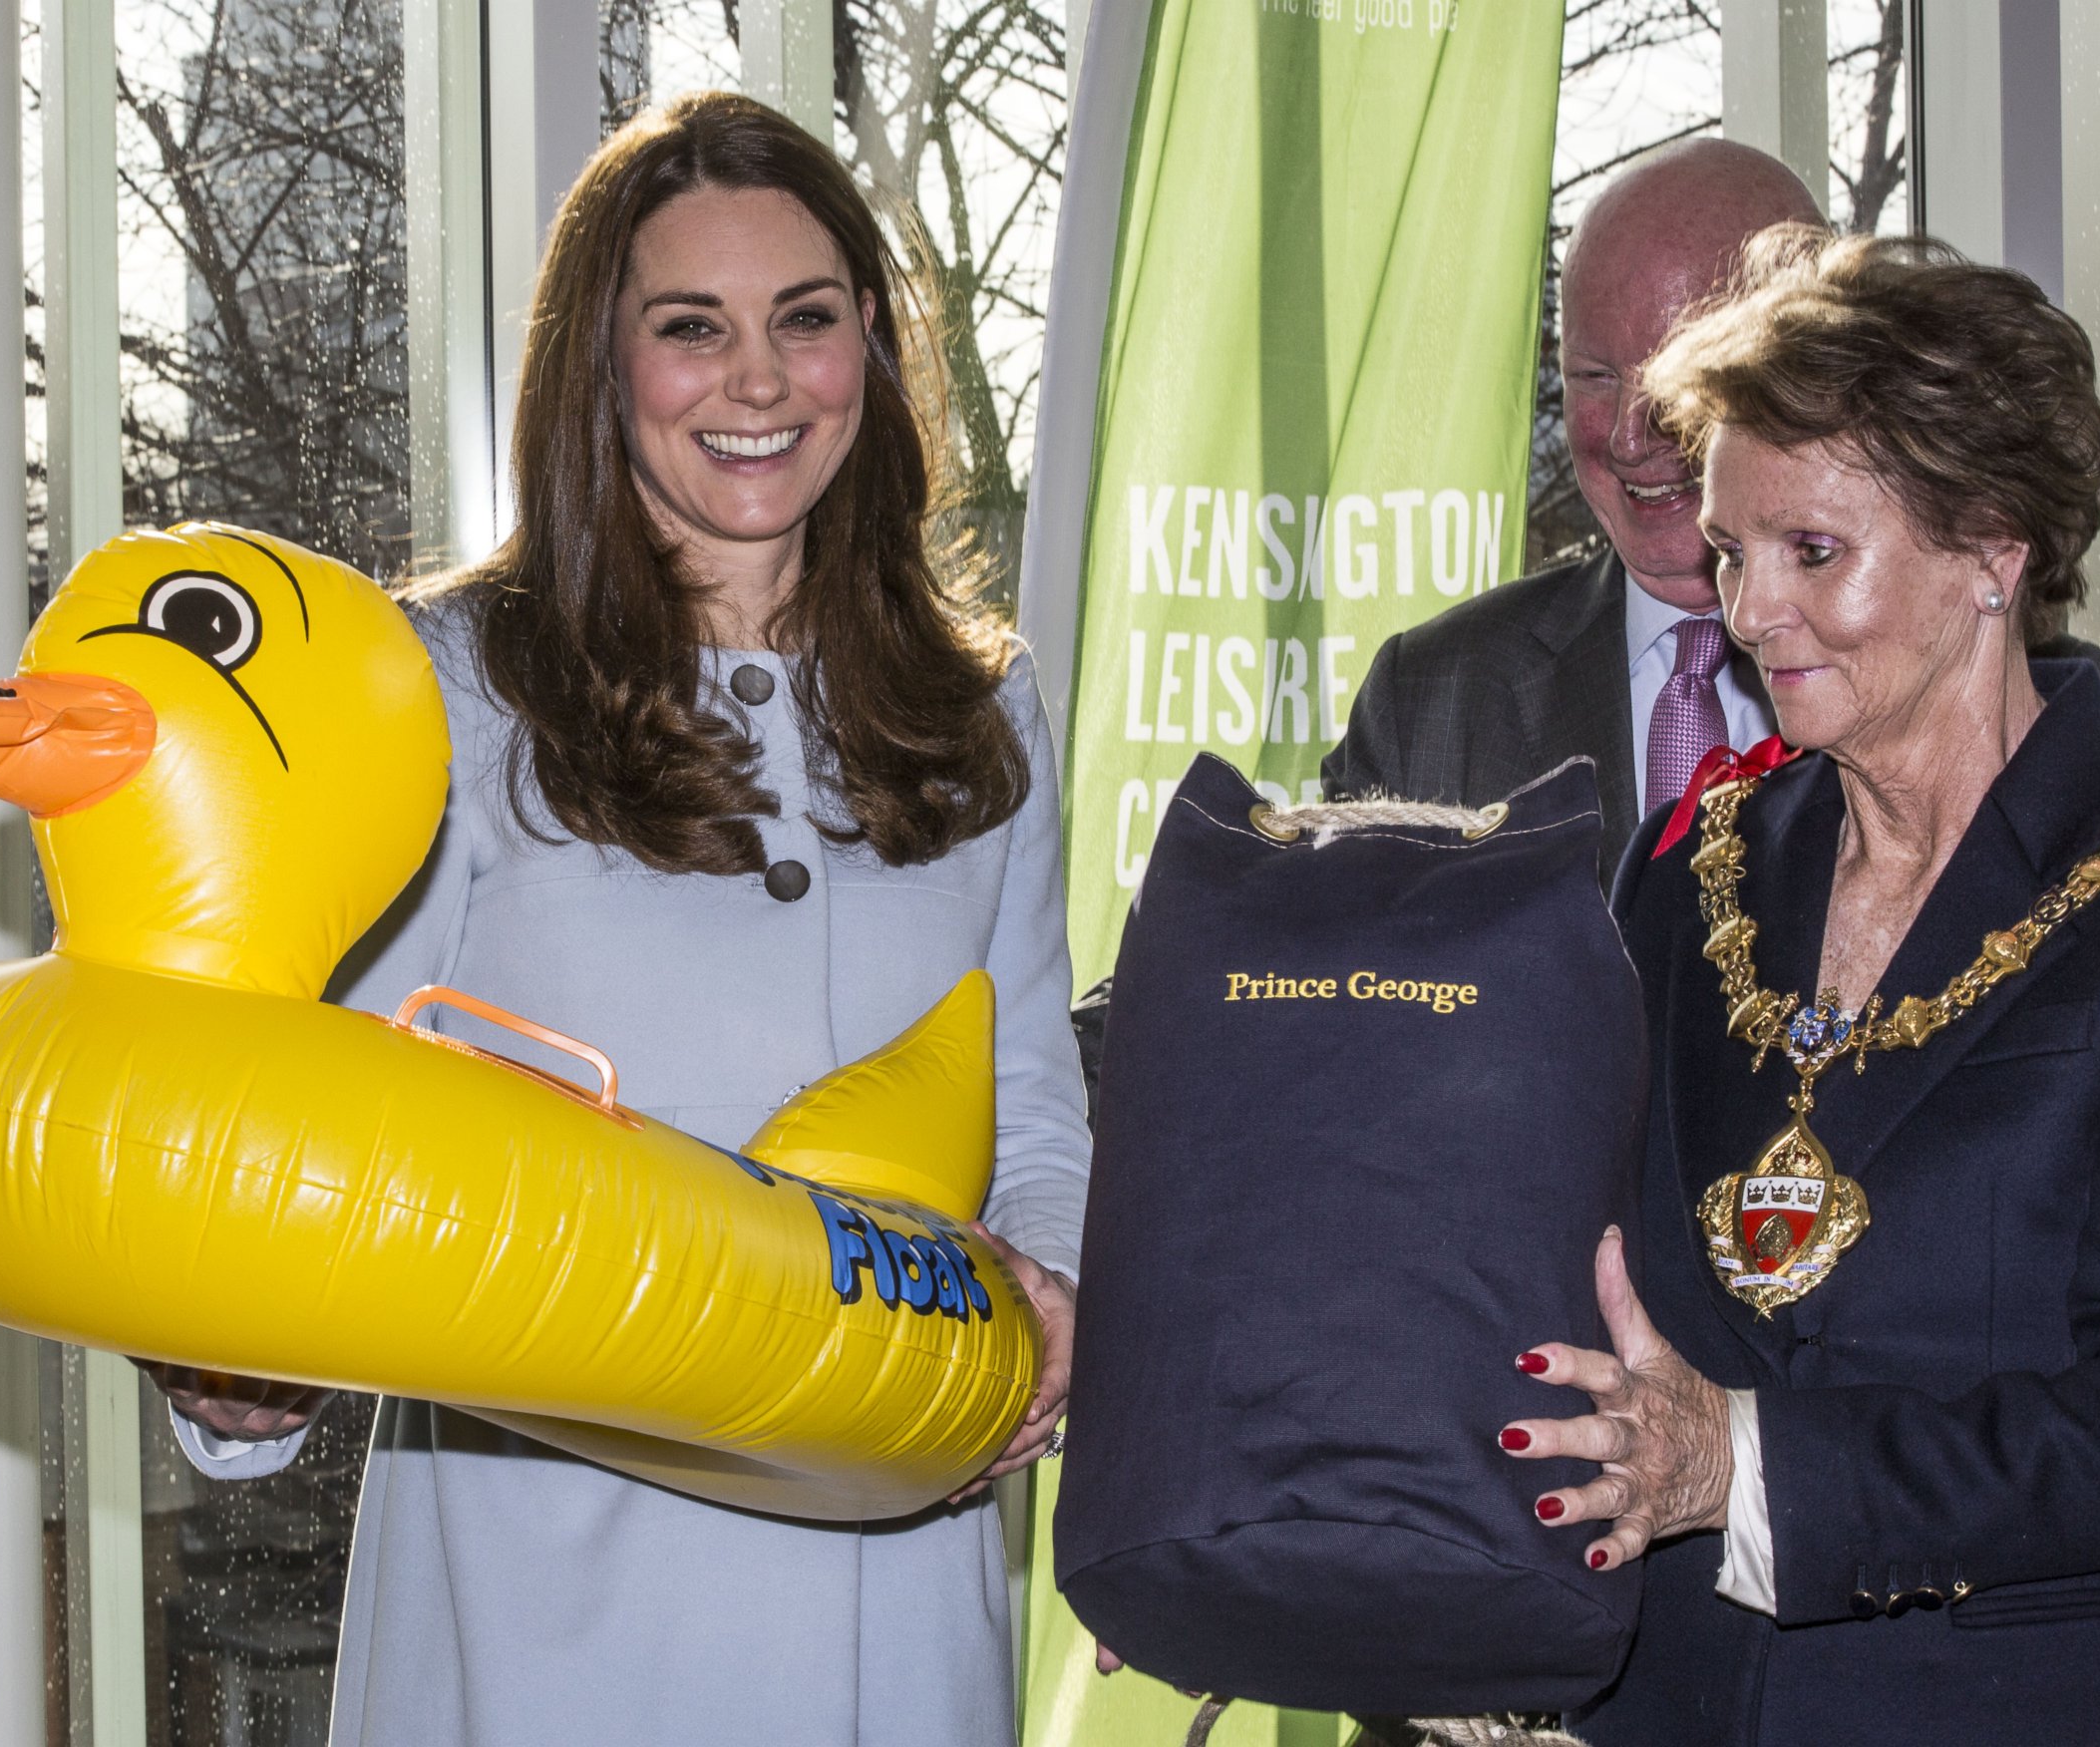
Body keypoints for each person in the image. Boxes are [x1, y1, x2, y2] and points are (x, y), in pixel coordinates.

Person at [141, 93, 1090, 1746]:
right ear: (599, 364)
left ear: (868, 340)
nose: (758, 380)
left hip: (900, 1602)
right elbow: (310, 1118)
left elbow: (1031, 1114)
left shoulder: (986, 715)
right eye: (689, 329)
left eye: (805, 320)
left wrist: (1055, 1299)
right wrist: (234, 1376)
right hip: (539, 1609)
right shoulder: (441, 695)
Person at [1496, 228, 2100, 1743]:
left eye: (1814, 552)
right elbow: (1555, 1256)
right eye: (1732, 552)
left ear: (1994, 553)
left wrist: (1748, 1471)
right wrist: (1310, 1520)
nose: (1747, 611)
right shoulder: (1690, 865)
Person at [1323, 140, 1820, 886]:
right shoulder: (1432, 701)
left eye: (1676, 380)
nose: (1627, 436)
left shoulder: (1933, 687)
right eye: (1593, 378)